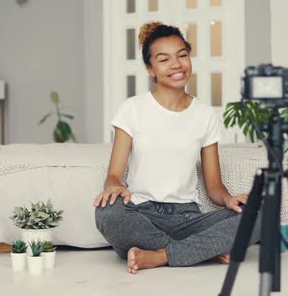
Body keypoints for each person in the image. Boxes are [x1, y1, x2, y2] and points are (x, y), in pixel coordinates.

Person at [93, 22, 260, 274]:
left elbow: (214, 186)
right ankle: (200, 252)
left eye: (182, 55)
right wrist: (114, 186)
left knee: (259, 215)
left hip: (188, 218)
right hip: (142, 215)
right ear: (150, 68)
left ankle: (158, 256)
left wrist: (230, 199)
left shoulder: (205, 115)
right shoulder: (132, 109)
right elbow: (114, 175)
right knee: (107, 213)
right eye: (164, 59)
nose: (176, 64)